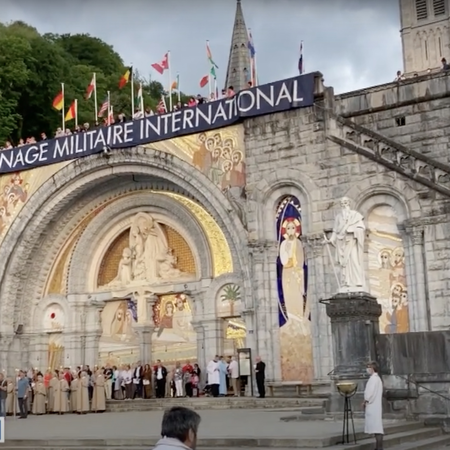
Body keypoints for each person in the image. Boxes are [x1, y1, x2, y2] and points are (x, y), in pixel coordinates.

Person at [363, 361, 384, 450]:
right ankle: (378, 447)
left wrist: (365, 400)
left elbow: (370, 392)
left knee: (376, 427)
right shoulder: (377, 379)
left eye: (369, 367)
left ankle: (379, 447)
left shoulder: (374, 379)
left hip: (373, 405)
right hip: (375, 405)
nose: (367, 369)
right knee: (376, 426)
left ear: (373, 368)